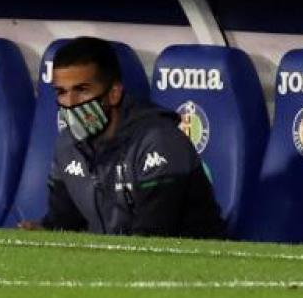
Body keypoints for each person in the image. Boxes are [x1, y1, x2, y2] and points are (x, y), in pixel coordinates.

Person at [19, 36, 225, 238]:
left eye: (82, 90)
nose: (70, 103)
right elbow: (64, 226)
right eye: (61, 92)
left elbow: (152, 240)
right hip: (115, 261)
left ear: (114, 93)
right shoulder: (67, 144)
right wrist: (42, 234)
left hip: (188, 266)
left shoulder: (158, 141)